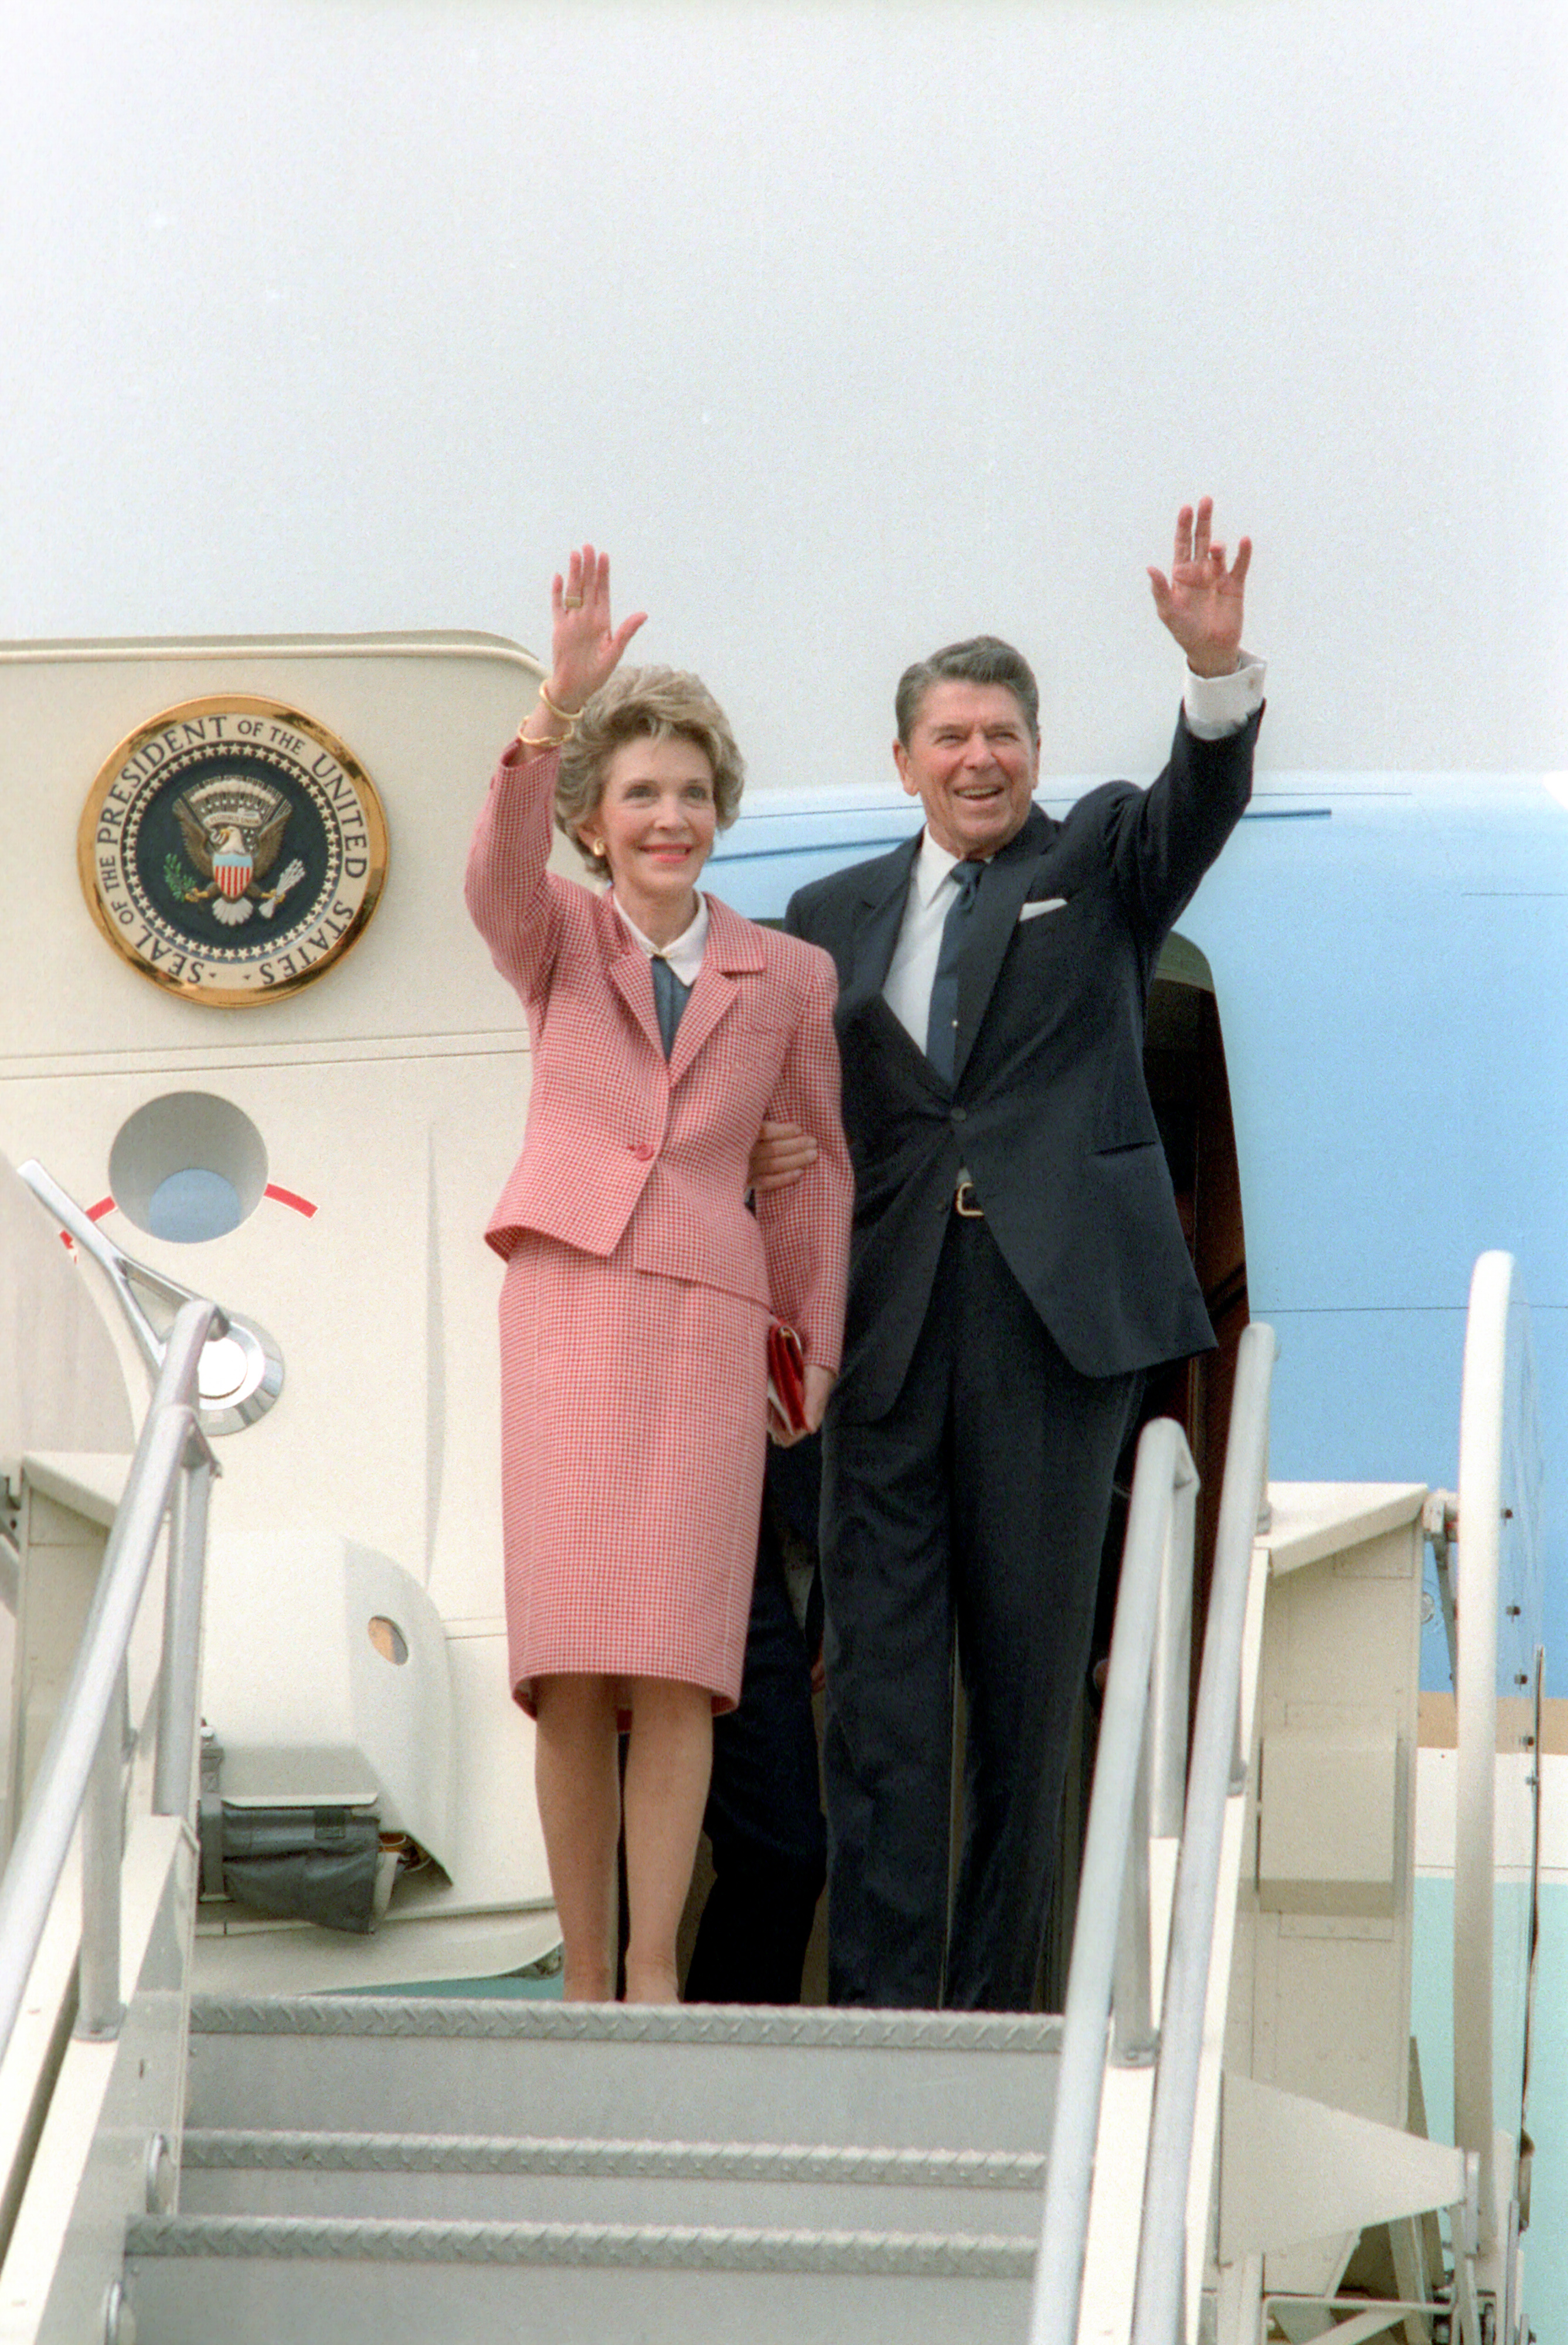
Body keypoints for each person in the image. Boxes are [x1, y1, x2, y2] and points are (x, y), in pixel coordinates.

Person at [771, 500, 1265, 2010]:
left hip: (1048, 1329)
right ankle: (877, 2010)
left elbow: (1198, 801)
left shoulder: (1105, 858)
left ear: (1037, 753)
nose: (978, 758)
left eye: (1003, 733)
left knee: (1033, 1687)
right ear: (905, 756)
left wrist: (1216, 674)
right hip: (885, 1328)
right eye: (950, 736)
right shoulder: (826, 916)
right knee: (882, 1692)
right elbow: (793, 1104)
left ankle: (1004, 2021)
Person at [464, 545, 852, 2004]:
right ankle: (579, 1970)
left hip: (706, 1316)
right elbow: (489, 869)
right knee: (571, 1660)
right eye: (642, 794)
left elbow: (815, 1168)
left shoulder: (789, 973)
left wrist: (805, 1346)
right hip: (567, 1306)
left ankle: (651, 1970)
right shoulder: (553, 934)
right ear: (594, 821)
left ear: (720, 810)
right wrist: (552, 709)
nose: (671, 816)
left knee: (685, 1662)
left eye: (692, 792)